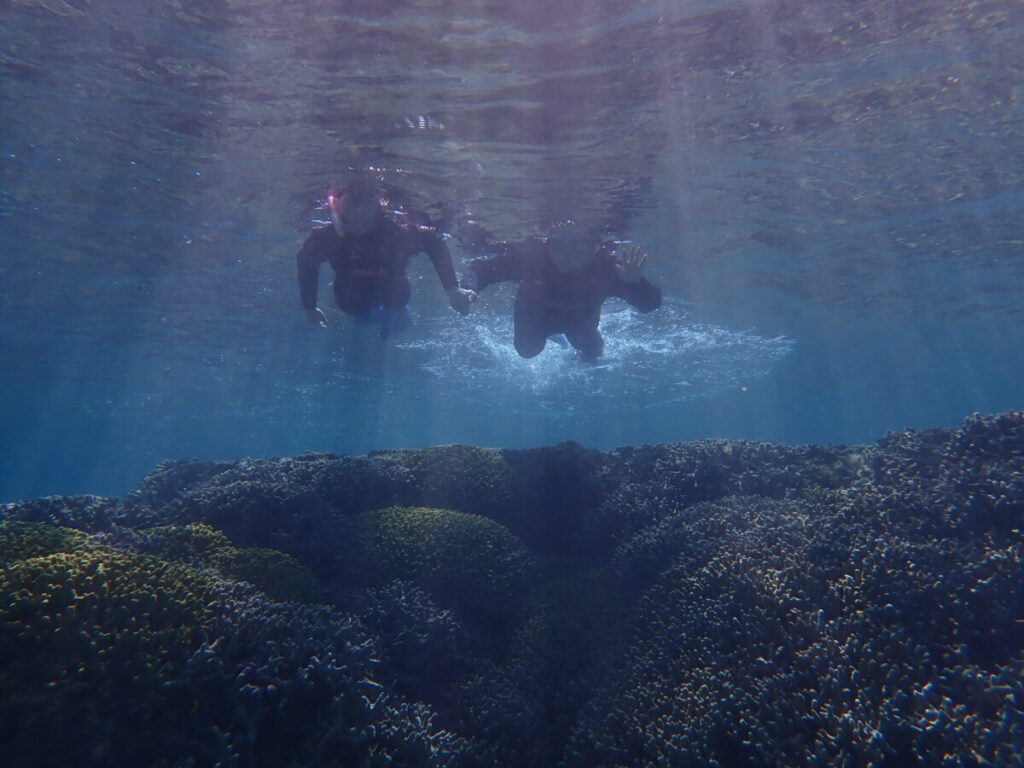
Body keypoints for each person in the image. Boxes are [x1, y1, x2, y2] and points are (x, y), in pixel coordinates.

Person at [296, 178, 474, 337]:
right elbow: (306, 262)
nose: (360, 225)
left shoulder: (394, 233)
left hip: (390, 293)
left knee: (396, 301)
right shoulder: (326, 237)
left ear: (378, 209)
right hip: (352, 300)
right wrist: (309, 306)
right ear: (338, 208)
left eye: (364, 214)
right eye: (353, 210)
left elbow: (433, 243)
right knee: (358, 307)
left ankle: (385, 321)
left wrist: (452, 289)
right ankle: (376, 321)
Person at [460, 220, 661, 360]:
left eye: (576, 245)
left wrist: (636, 283)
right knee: (527, 351)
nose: (566, 253)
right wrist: (469, 290)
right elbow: (482, 269)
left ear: (593, 249)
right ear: (547, 244)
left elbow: (650, 305)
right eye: (559, 244)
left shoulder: (606, 269)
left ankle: (568, 341)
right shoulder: (533, 260)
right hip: (534, 317)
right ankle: (554, 337)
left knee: (593, 352)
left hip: (580, 322)